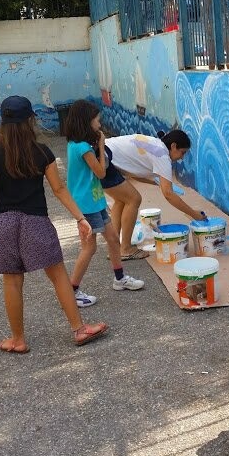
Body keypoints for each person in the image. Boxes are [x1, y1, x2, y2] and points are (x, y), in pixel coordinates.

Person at [0, 95, 108, 354]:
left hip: (4, 223)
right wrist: (81, 218)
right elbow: (60, 189)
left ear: (2, 123)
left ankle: (17, 339)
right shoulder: (42, 152)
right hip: (35, 223)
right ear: (31, 120)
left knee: (13, 281)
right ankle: (79, 329)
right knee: (59, 275)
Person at [64, 100, 144, 306]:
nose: (99, 125)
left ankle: (120, 279)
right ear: (86, 122)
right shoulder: (82, 147)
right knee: (88, 249)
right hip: (85, 205)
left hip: (95, 200)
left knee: (112, 238)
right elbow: (100, 172)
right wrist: (101, 145)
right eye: (97, 121)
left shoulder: (76, 144)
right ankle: (71, 290)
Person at [102, 130, 208, 258]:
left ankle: (115, 249)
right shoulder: (162, 155)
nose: (182, 157)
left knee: (121, 200)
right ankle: (125, 249)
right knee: (134, 199)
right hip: (105, 157)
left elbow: (134, 174)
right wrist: (193, 214)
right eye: (182, 152)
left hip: (101, 153)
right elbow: (168, 194)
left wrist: (158, 183)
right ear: (173, 146)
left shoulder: (156, 145)